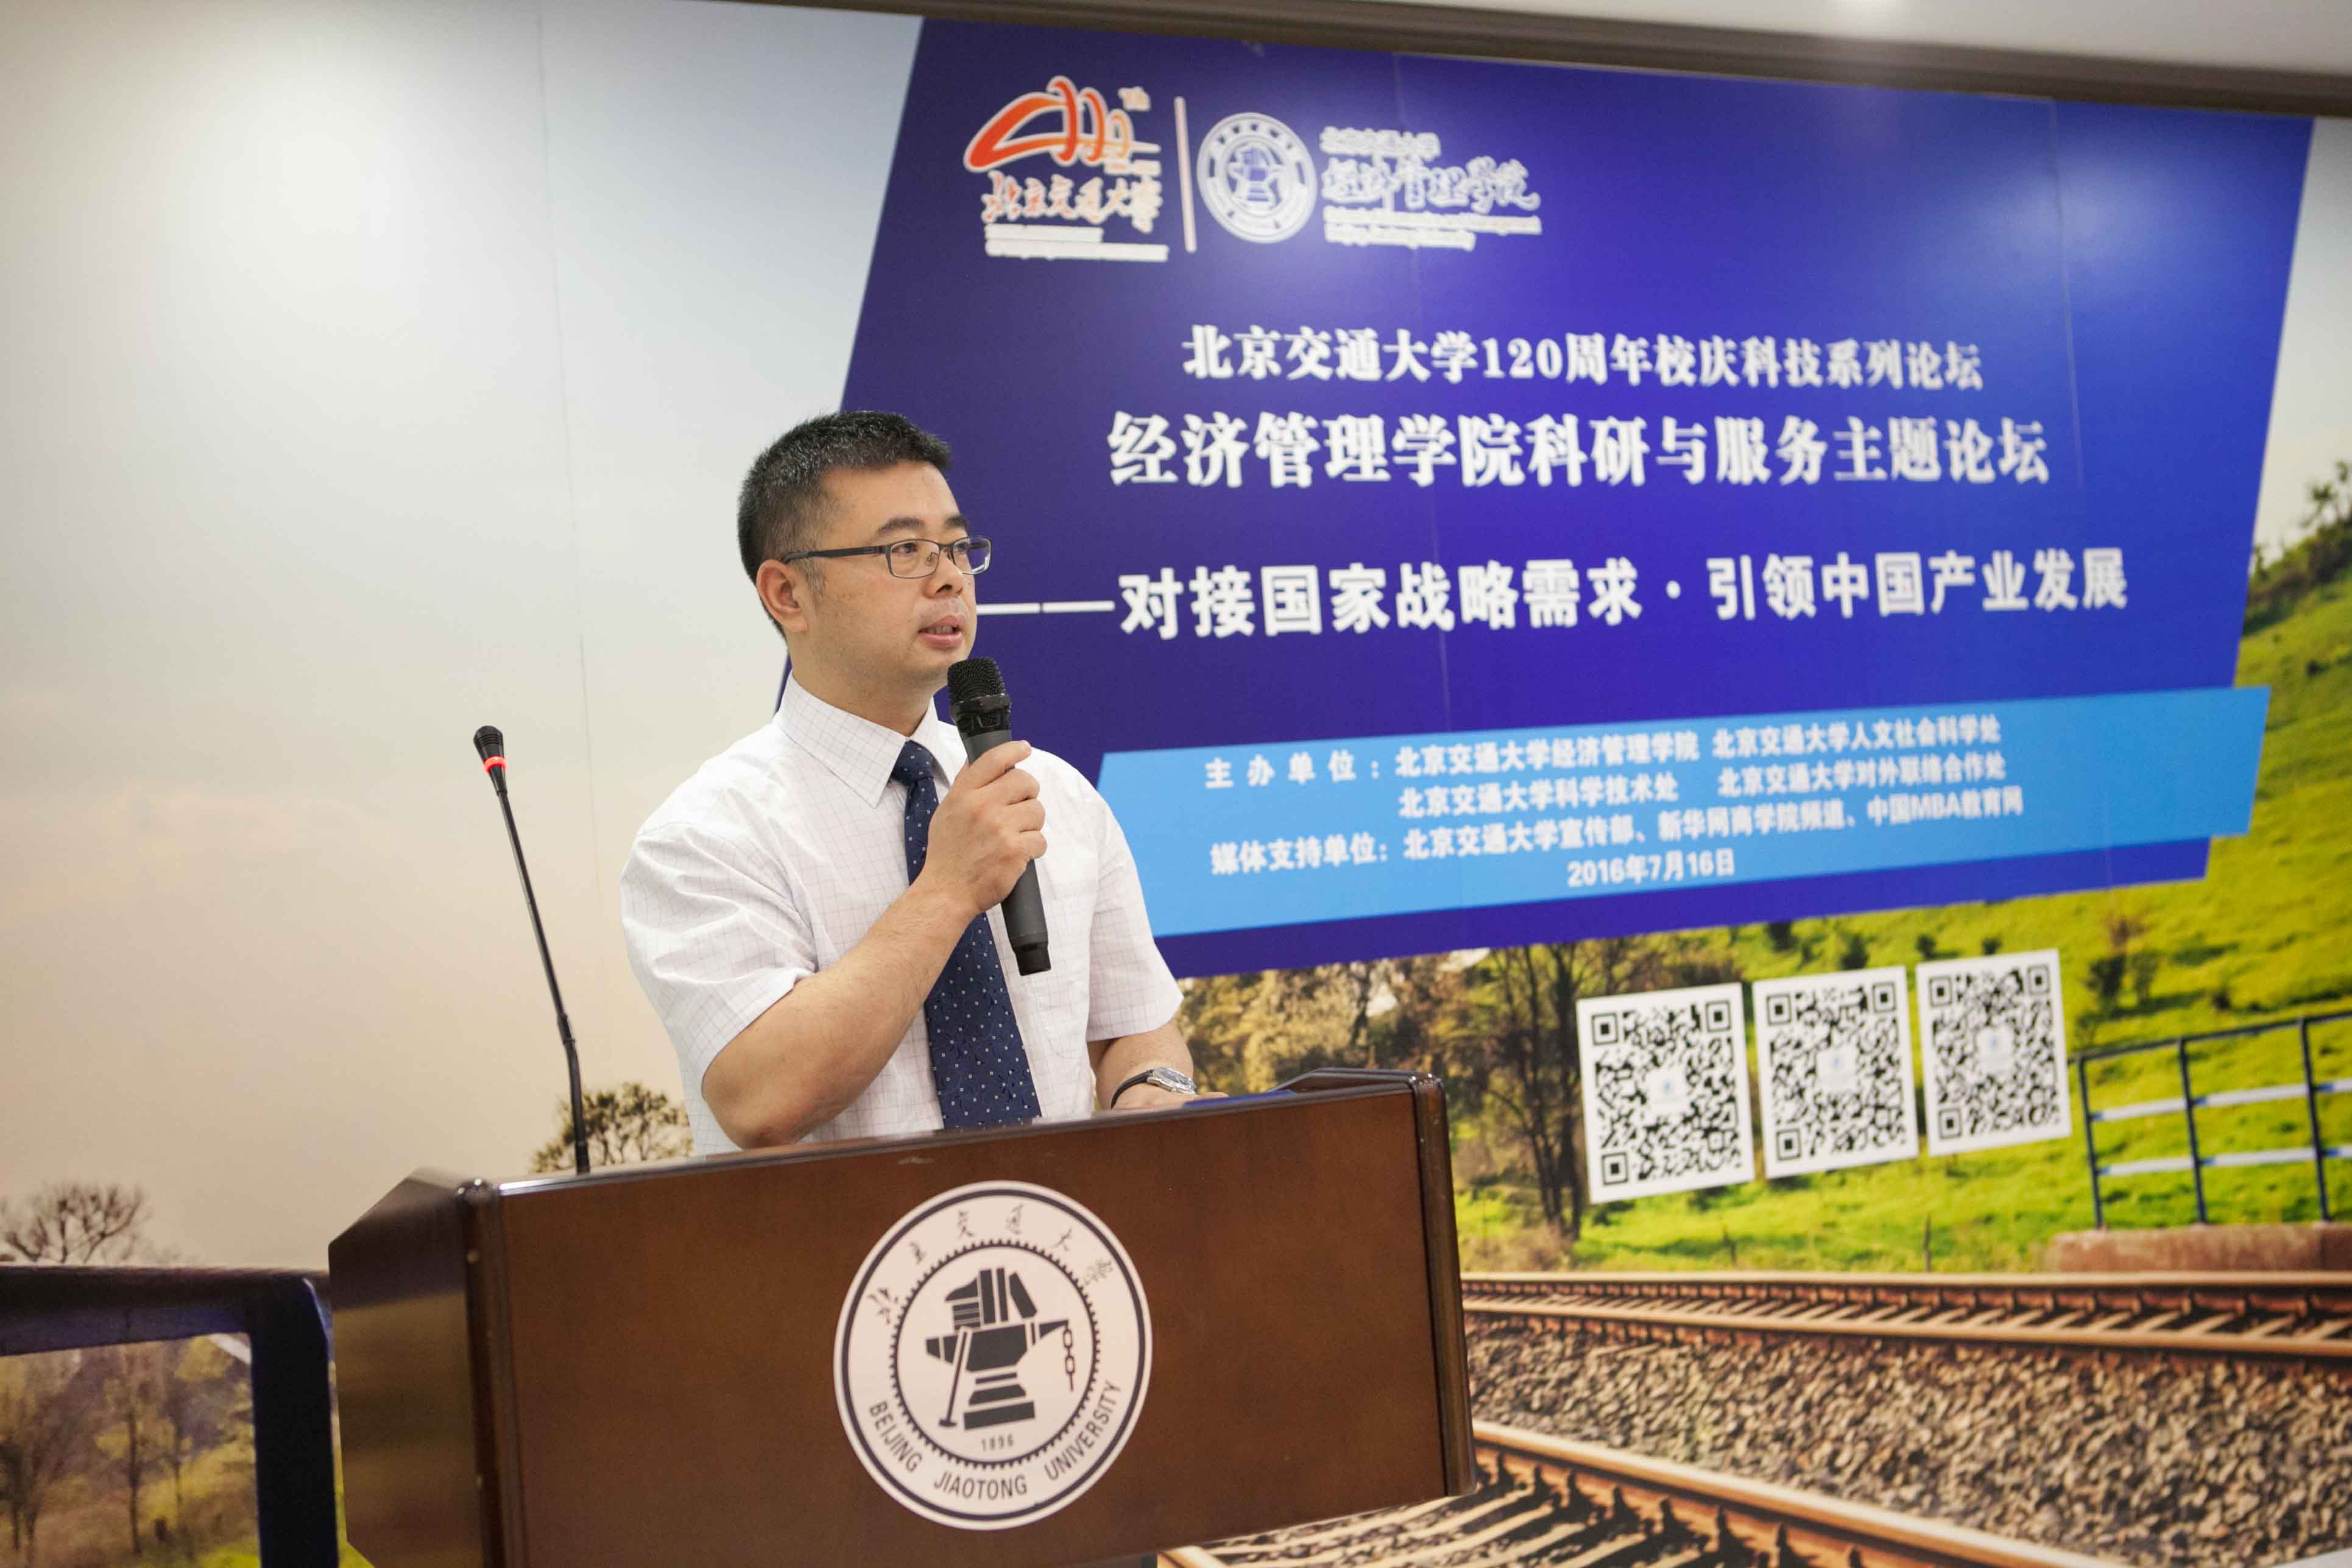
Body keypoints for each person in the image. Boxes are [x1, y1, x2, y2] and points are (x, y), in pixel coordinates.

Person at [621, 411, 1202, 1153]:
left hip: (1059, 1223)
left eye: (956, 548)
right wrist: (948, 888)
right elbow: (760, 1096)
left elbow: (1134, 1028)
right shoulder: (705, 836)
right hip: (850, 1233)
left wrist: (1151, 1090)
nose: (950, 577)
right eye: (905, 550)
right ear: (787, 593)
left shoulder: (1053, 792)